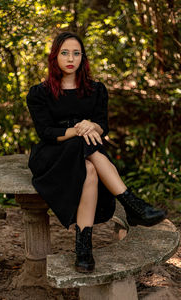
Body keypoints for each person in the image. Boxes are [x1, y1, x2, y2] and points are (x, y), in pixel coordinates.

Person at [26, 31, 166, 274]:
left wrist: (91, 126)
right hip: (52, 155)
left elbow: (102, 126)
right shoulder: (39, 93)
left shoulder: (96, 89)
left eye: (76, 53)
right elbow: (46, 132)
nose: (71, 58)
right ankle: (132, 205)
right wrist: (78, 129)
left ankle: (84, 248)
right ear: (55, 57)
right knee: (85, 144)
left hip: (87, 153)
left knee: (89, 166)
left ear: (83, 58)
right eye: (65, 53)